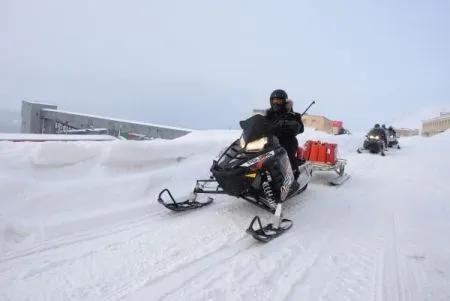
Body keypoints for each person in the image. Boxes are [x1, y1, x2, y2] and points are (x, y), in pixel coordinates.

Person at [264, 89, 304, 191]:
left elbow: (300, 127)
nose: (276, 103)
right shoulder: (268, 114)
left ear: (284, 101)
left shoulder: (292, 114)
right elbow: (261, 124)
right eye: (274, 100)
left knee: (287, 152)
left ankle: (293, 176)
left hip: (287, 140)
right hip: (271, 140)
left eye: (279, 100)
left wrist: (290, 124)